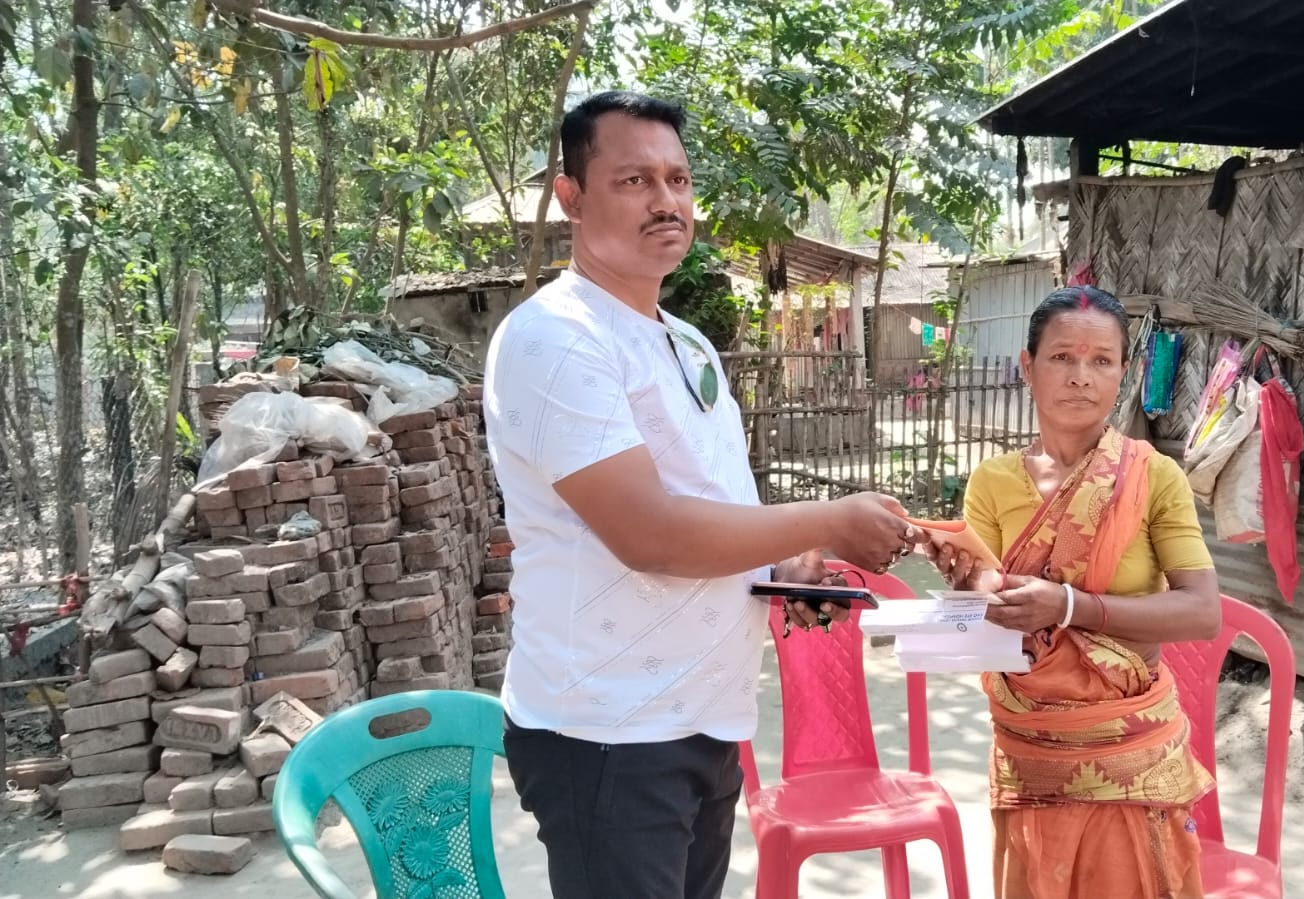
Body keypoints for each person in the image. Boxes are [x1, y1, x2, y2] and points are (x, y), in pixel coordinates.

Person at [482, 90, 922, 899]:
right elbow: (650, 534)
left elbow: (721, 511)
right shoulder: (555, 337)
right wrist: (831, 514)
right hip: (606, 730)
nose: (665, 202)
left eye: (678, 180)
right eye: (633, 181)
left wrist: (793, 561)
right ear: (570, 195)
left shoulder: (684, 344)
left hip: (702, 715)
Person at [925, 286, 1221, 898]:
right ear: (1028, 367)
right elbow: (987, 598)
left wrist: (1068, 607)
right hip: (1032, 749)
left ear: (1123, 373)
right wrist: (967, 588)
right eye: (1062, 358)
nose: (1081, 377)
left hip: (1130, 752)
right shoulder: (993, 481)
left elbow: (1202, 610)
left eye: (1101, 361)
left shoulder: (1152, 474)